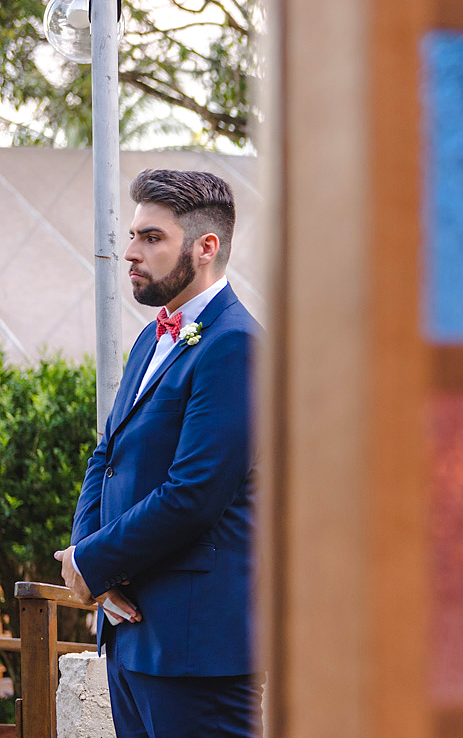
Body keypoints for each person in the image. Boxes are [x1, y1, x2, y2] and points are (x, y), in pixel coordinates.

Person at [55, 169, 262, 738]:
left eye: (151, 239)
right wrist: (87, 559)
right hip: (129, 637)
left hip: (195, 648)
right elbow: (107, 453)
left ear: (205, 247)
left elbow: (194, 493)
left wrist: (95, 564)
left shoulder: (236, 344)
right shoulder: (150, 338)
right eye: (132, 237)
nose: (129, 253)